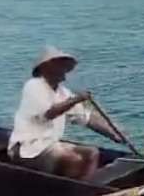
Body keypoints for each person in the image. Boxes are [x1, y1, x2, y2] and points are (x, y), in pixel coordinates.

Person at [8, 46, 123, 178]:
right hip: (28, 148)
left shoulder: (63, 92)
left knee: (92, 153)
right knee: (72, 159)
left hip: (50, 144)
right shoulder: (34, 86)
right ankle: (69, 189)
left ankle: (87, 187)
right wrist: (76, 100)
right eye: (59, 65)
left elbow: (87, 118)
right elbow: (49, 113)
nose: (63, 69)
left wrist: (114, 134)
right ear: (47, 68)